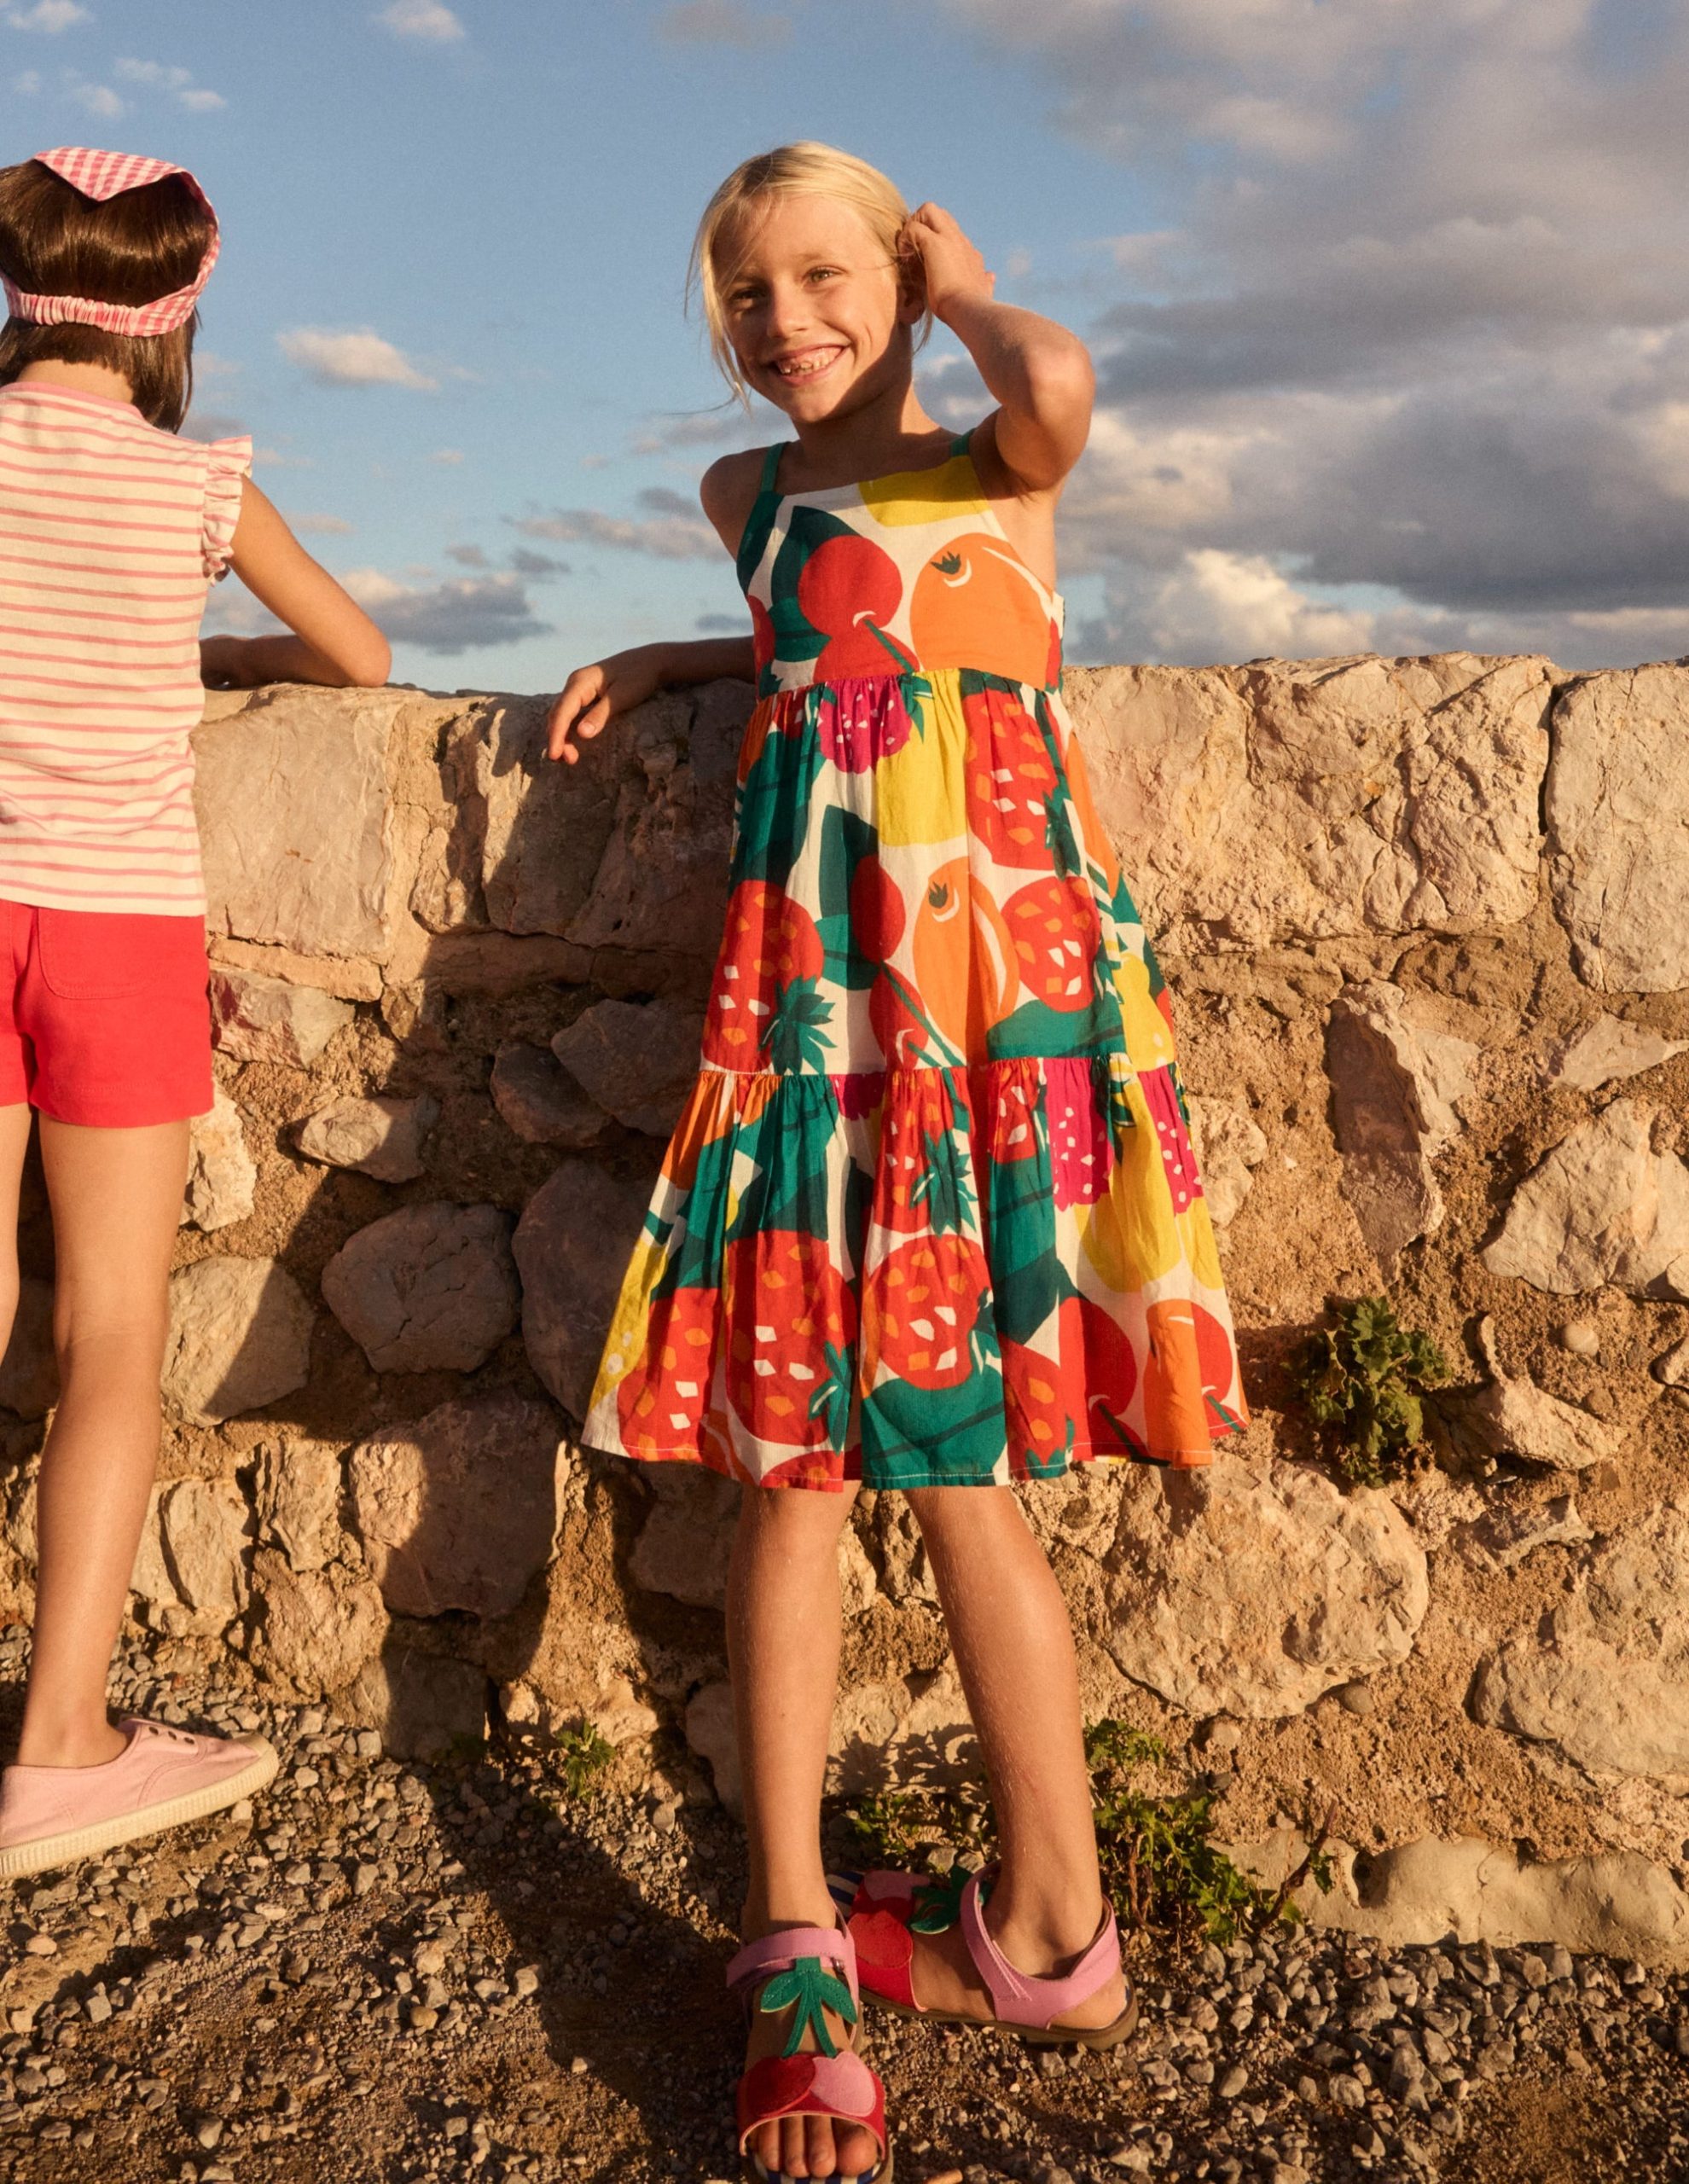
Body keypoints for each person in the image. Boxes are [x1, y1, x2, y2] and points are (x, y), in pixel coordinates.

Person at [548, 142, 1246, 2184]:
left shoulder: (998, 458)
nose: (787, 320)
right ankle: (797, 1935)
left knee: (964, 1473)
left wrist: (963, 286)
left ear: (908, 276)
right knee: (791, 1468)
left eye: (828, 275)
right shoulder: (742, 501)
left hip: (989, 1016)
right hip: (812, 1026)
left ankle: (1052, 1925)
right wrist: (677, 661)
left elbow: (1059, 391)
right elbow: (819, 637)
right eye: (748, 293)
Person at [0, 147, 389, 1880]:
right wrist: (213, 655)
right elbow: (360, 656)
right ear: (176, 313)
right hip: (112, 930)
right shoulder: (199, 483)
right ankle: (62, 1746)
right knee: (109, 1335)